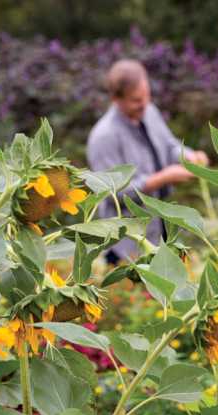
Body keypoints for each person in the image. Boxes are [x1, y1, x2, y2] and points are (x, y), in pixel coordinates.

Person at [87, 59, 208, 263]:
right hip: (127, 244)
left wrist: (187, 155)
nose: (143, 104)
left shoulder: (149, 111)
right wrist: (162, 178)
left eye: (146, 96)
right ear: (116, 98)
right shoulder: (104, 136)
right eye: (136, 100)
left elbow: (168, 145)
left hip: (159, 228)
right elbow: (111, 194)